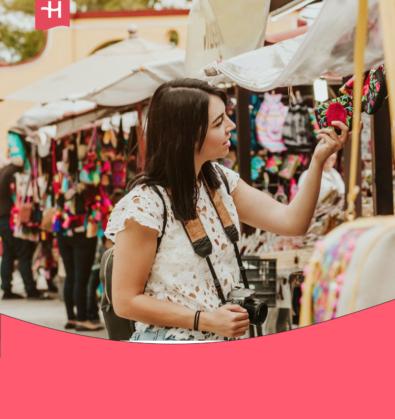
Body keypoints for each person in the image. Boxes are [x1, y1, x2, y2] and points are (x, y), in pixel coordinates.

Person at [106, 79, 348, 341]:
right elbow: (125, 301)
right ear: (187, 135)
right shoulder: (145, 205)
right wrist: (204, 320)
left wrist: (318, 159)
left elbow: (292, 222)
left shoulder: (219, 182)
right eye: (219, 122)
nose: (231, 126)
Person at [0, 133, 51, 300]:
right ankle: (30, 288)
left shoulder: (3, 170)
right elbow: (18, 196)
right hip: (12, 218)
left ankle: (6, 288)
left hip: (3, 218)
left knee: (8, 254)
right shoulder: (15, 172)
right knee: (23, 253)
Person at [296, 151, 345, 247]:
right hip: (314, 229)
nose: (330, 156)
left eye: (333, 153)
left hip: (332, 227)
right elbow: (302, 203)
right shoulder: (308, 175)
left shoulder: (335, 174)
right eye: (328, 152)